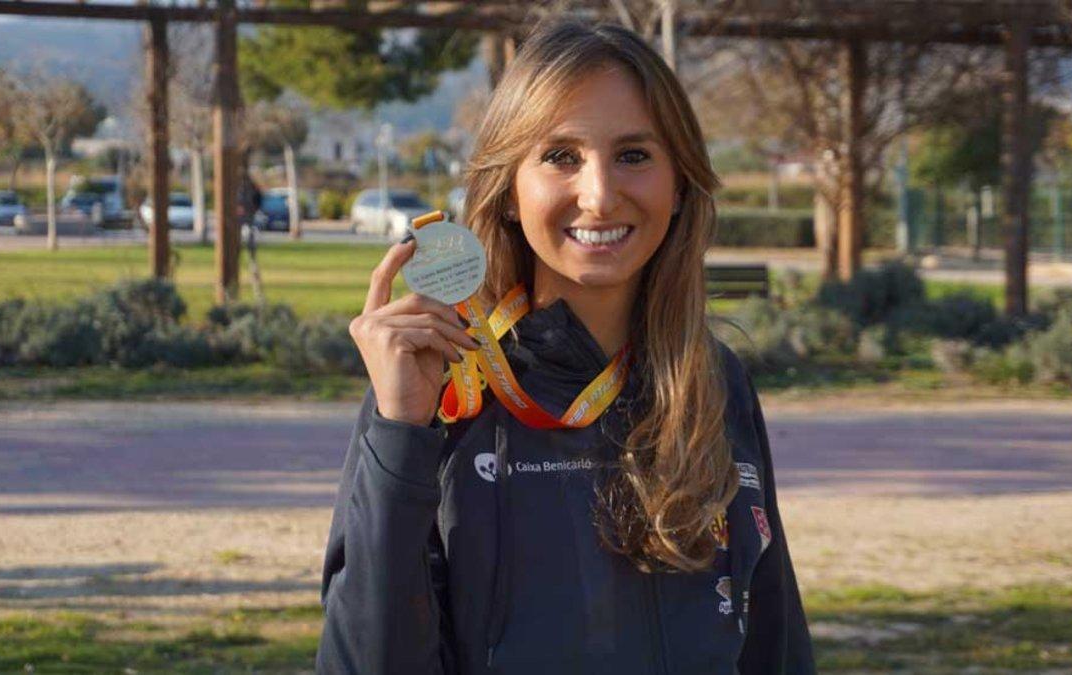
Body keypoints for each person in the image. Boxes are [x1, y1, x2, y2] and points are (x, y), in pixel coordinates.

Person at [317, 19, 814, 675]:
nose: (601, 194)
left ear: (679, 184)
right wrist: (400, 433)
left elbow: (774, 642)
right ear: (510, 194)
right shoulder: (437, 389)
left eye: (634, 154)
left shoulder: (714, 379)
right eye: (561, 156)